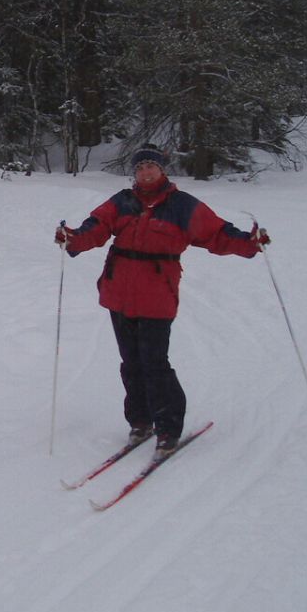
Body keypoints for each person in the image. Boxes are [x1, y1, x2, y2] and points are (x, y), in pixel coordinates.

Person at [54, 144, 269, 460]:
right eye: (140, 168)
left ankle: (168, 429)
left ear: (162, 169)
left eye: (151, 166)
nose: (145, 172)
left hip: (157, 295)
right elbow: (95, 229)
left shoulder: (182, 206)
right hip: (119, 294)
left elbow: (217, 234)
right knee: (131, 363)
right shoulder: (122, 202)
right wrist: (72, 238)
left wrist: (249, 244)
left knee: (155, 363)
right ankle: (140, 422)